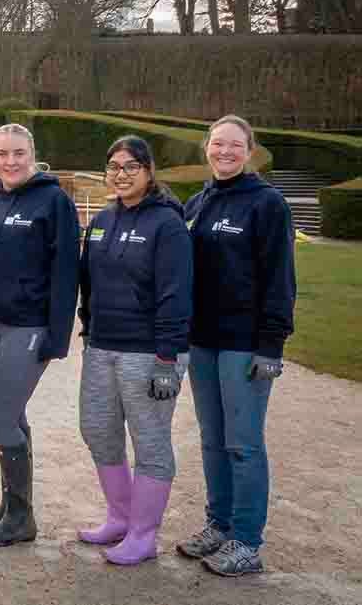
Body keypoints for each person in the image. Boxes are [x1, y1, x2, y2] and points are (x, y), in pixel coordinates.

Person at [177, 115, 296, 577]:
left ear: (250, 151)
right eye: (217, 143)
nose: (225, 151)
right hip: (202, 340)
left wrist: (272, 345)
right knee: (212, 441)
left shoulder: (267, 204)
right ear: (206, 147)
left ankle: (246, 541)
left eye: (235, 145)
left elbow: (280, 278)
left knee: (244, 444)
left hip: (246, 344)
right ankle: (219, 525)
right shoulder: (197, 202)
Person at [0, 122, 80, 547]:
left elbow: (67, 272)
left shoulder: (54, 202)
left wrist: (58, 337)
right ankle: (13, 505)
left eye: (18, 153)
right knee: (13, 416)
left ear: (33, 155)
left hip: (27, 326)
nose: (10, 161)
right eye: (1, 154)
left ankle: (21, 518)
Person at [77, 135, 193, 565]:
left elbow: (176, 293)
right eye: (113, 167)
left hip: (149, 351)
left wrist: (167, 357)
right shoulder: (102, 220)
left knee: (150, 439)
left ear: (148, 171)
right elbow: (88, 282)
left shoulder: (167, 223)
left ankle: (144, 535)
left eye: (130, 166)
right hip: (102, 346)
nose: (120, 174)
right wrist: (88, 329)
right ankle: (121, 517)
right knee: (97, 429)